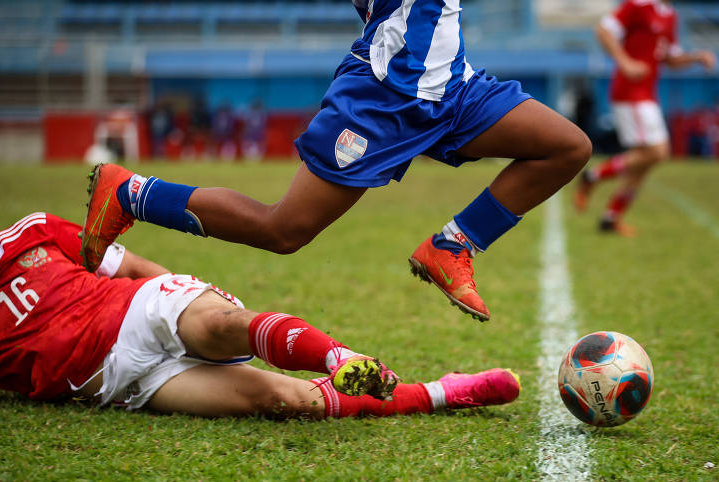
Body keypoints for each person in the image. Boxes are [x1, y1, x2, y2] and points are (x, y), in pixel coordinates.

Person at [81, 0, 592, 323]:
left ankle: (452, 245)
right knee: (284, 230)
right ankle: (130, 193)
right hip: (383, 95)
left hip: (452, 86)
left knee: (566, 145)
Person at [0, 167, 520, 419]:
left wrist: (180, 296)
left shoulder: (33, 232)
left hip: (142, 309)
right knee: (284, 402)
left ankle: (335, 356)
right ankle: (444, 392)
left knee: (220, 326)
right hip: (120, 381)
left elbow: (128, 265)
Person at [574, 0, 715, 236]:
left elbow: (670, 59)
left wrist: (697, 58)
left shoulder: (670, 15)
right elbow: (603, 30)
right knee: (657, 152)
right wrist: (625, 62)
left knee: (645, 160)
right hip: (630, 91)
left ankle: (610, 218)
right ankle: (593, 176)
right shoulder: (638, 5)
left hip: (646, 93)